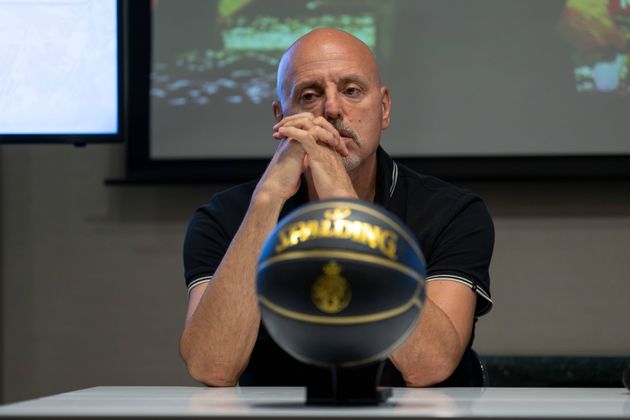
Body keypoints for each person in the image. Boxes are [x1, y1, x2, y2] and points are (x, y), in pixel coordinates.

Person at [180, 28, 494, 387]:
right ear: (281, 118)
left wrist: (345, 207)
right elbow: (212, 367)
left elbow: (428, 366)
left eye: (351, 91)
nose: (331, 109)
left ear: (384, 108)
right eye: (309, 95)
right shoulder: (224, 218)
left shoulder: (451, 212)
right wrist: (266, 203)